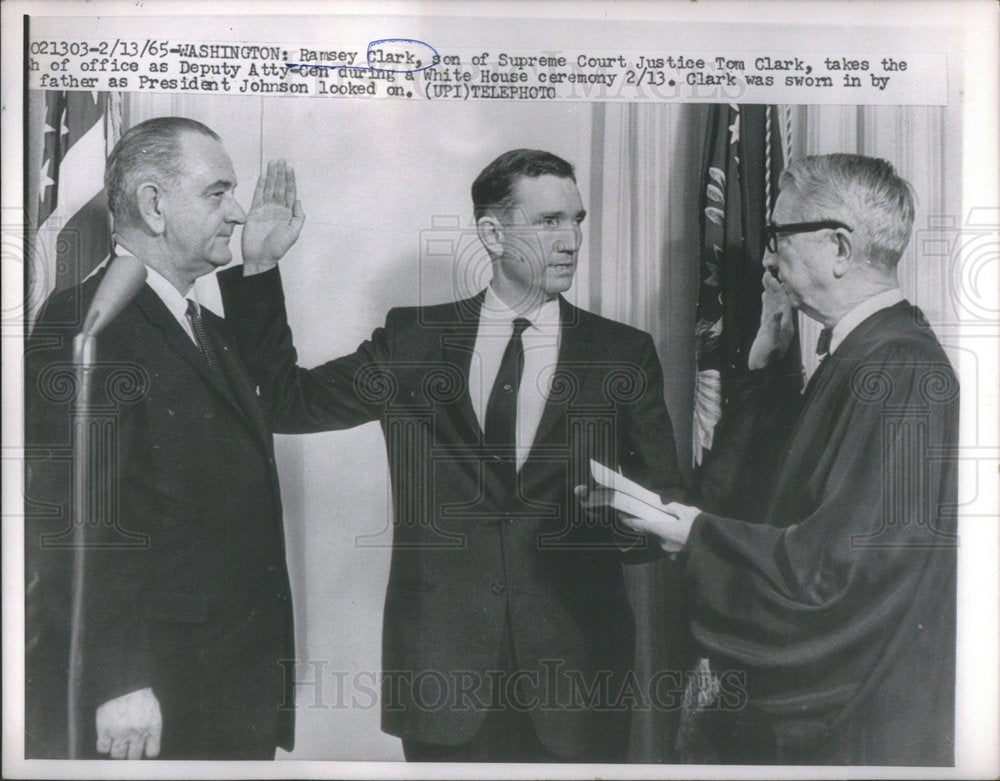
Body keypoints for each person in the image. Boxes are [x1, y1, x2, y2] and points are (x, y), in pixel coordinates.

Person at [218, 149, 688, 762]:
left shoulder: (624, 354)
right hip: (442, 672)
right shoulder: (413, 341)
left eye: (577, 220)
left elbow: (669, 506)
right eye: (549, 221)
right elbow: (285, 403)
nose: (571, 239)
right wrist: (258, 269)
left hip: (578, 674)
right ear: (492, 233)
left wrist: (617, 519)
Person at [609, 154, 958, 765]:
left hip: (860, 730)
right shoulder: (861, 357)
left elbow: (836, 575)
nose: (767, 258)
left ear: (840, 247)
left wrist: (694, 536)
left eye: (779, 235)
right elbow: (763, 502)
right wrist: (765, 365)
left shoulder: (898, 369)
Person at [24, 117, 305, 759]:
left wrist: (258, 267)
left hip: (224, 684)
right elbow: (73, 517)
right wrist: (118, 677)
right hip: (150, 698)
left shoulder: (199, 324)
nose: (236, 211)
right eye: (217, 192)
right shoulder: (88, 321)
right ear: (154, 204)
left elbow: (274, 399)